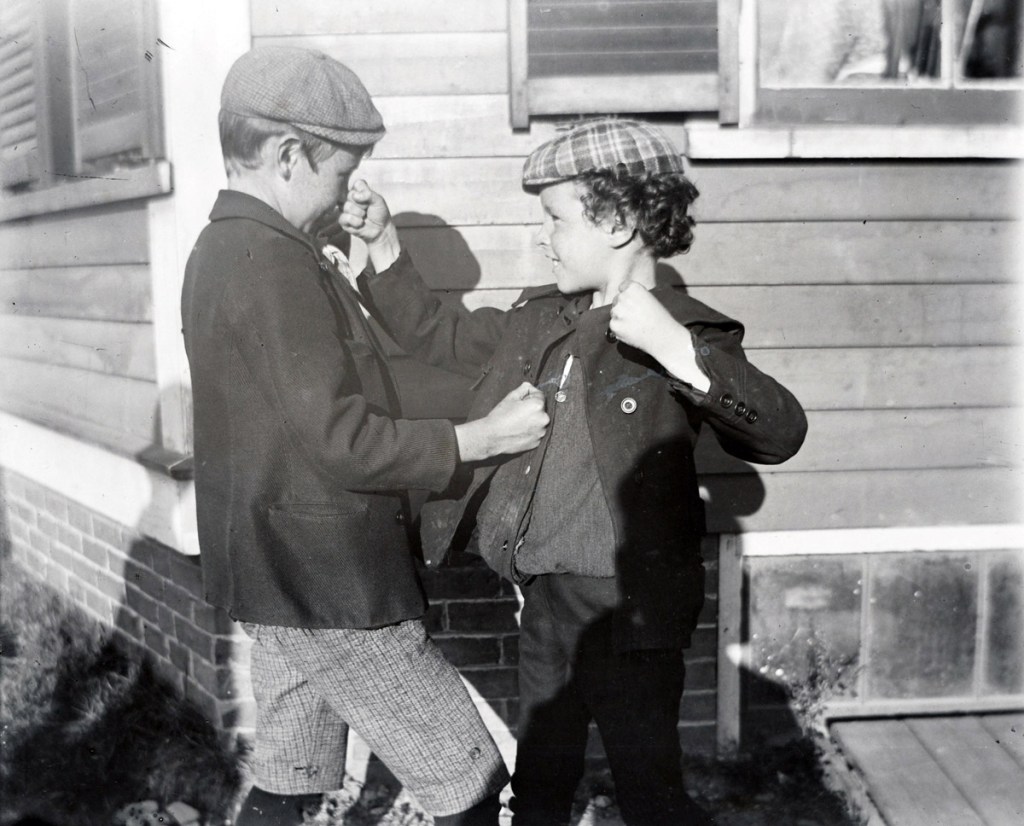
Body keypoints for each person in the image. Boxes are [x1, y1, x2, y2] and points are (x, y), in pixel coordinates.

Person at [340, 118, 809, 825]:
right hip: (546, 601)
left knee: (649, 790)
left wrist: (677, 349)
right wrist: (380, 244)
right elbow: (440, 336)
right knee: (540, 785)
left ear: (617, 222)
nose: (541, 236)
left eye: (555, 219)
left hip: (629, 613)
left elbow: (780, 431)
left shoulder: (683, 331)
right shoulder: (540, 319)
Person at [181, 46, 550, 826]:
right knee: (469, 777)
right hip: (332, 583)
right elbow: (342, 435)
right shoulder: (271, 265)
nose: (346, 193)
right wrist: (476, 438)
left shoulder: (228, 249)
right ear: (288, 156)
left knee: (291, 776)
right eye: (341, 174)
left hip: (277, 574)